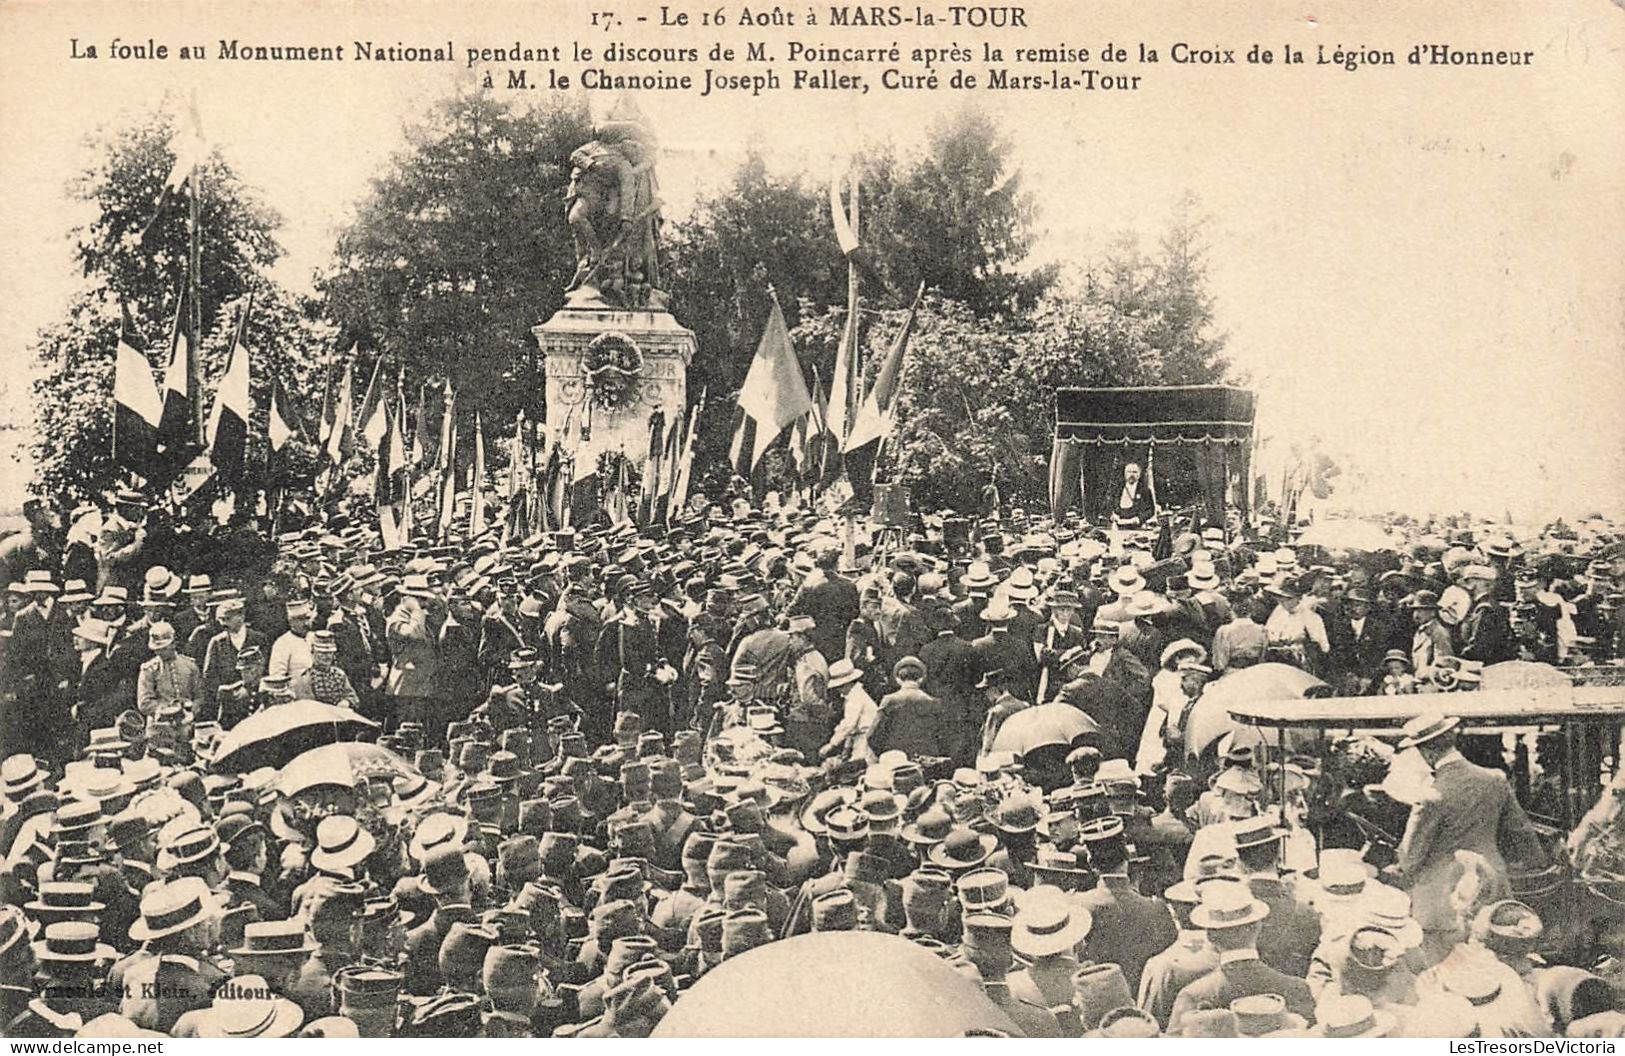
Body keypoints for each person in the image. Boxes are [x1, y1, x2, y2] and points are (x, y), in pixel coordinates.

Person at [1392, 710, 1543, 964]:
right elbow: (1521, 832)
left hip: (1442, 903)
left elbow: (1410, 858)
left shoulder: (1431, 794)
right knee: (1495, 965)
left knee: (1445, 973)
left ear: (1426, 752)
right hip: (1492, 890)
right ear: (1451, 740)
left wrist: (1399, 867)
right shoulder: (1495, 779)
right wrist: (1536, 861)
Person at [135, 621, 201, 717]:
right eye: (157, 649)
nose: (160, 653)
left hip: (187, 722)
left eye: (164, 648)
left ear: (174, 644)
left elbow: (199, 695)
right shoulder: (148, 670)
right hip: (159, 725)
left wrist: (192, 710)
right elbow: (144, 703)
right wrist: (167, 710)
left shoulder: (190, 665)